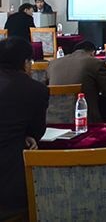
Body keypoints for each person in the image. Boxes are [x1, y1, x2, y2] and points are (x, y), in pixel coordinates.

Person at [0, 37, 48, 216]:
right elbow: (37, 131)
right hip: (10, 183)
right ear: (26, 62)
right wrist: (27, 135)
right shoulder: (35, 89)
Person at [47, 39, 106, 123]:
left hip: (53, 121)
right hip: (84, 121)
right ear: (93, 53)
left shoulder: (53, 63)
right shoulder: (95, 63)